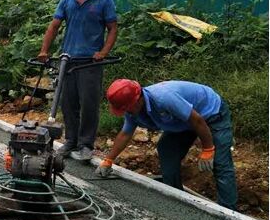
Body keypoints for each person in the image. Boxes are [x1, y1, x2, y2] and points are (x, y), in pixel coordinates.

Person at [96, 79, 237, 210]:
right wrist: (109, 160)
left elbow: (197, 120)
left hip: (210, 114)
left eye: (127, 108)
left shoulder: (164, 98)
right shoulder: (133, 110)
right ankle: (174, 195)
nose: (126, 112)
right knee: (166, 148)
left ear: (137, 101)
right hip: (183, 120)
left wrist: (208, 148)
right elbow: (125, 134)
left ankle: (229, 213)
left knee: (220, 162)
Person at [37, 0, 118, 161]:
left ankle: (85, 144)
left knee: (89, 104)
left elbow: (112, 29)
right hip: (67, 60)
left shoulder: (104, 1)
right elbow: (54, 26)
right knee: (67, 103)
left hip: (90, 62)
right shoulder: (68, 0)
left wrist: (104, 52)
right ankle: (71, 140)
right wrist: (44, 50)